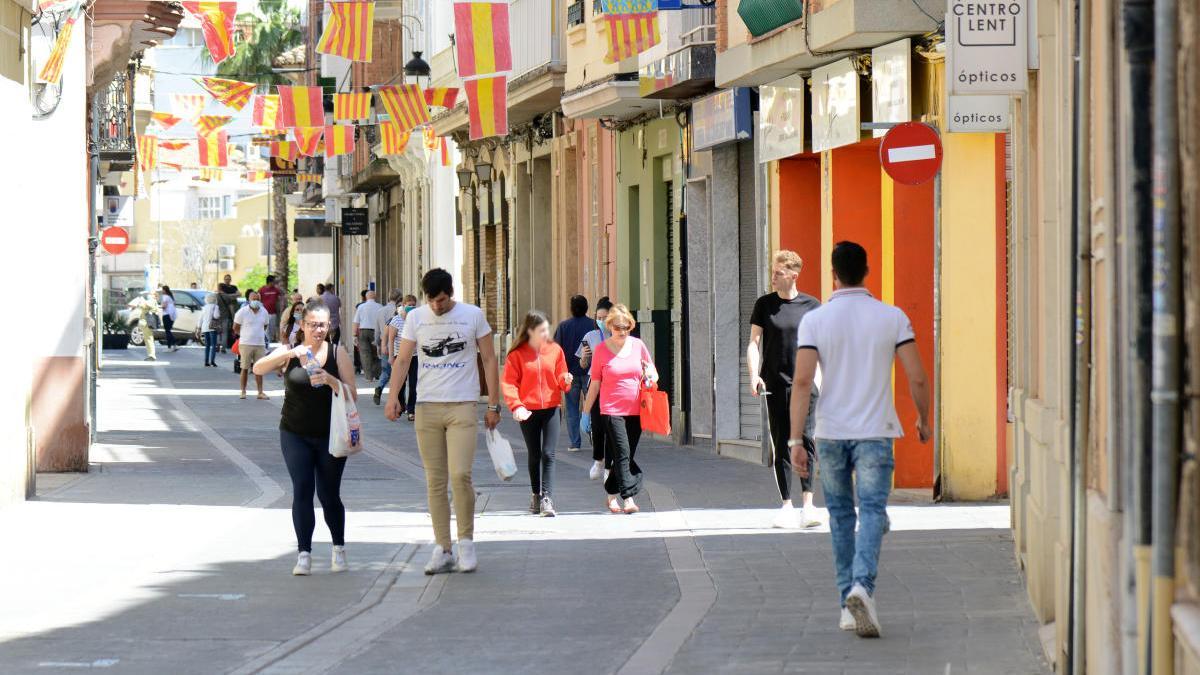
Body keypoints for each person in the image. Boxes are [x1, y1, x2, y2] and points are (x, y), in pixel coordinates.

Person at [788, 241, 931, 639]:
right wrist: (923, 418)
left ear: (833, 274)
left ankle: (847, 608)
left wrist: (794, 440)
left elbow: (802, 383)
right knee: (871, 511)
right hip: (876, 433)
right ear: (867, 271)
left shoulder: (816, 321)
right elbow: (916, 375)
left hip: (831, 432)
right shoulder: (892, 317)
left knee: (840, 516)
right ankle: (861, 588)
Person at [385, 268, 500, 575]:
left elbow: (489, 359)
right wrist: (393, 396)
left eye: (441, 300)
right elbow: (404, 359)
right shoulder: (415, 318)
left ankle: (466, 543)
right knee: (435, 481)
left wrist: (494, 404)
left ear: (451, 293)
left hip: (462, 405)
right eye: (431, 300)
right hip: (427, 407)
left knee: (460, 474)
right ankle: (443, 548)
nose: (436, 306)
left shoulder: (472, 315)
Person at [253, 299, 356, 576]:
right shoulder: (290, 351)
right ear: (303, 325)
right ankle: (304, 554)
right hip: (294, 433)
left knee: (328, 494)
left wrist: (332, 381)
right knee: (302, 490)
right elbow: (258, 368)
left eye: (323, 325)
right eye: (313, 325)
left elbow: (353, 394)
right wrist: (288, 353)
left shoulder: (338, 353)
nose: (318, 330)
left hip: (329, 436)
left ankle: (338, 548)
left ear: (329, 326)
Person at [748, 250, 823, 530]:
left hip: (805, 385)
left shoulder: (812, 305)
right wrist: (754, 374)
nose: (773, 276)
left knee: (805, 440)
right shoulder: (764, 305)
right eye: (773, 271)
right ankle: (786, 506)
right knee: (781, 442)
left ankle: (808, 506)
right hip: (774, 383)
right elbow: (754, 343)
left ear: (793, 274)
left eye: (778, 272)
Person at [580, 303, 658, 515]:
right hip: (611, 410)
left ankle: (610, 496)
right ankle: (628, 498)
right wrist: (586, 413)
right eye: (617, 327)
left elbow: (652, 371)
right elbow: (594, 383)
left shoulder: (638, 345)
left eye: (626, 327)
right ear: (609, 327)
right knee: (622, 453)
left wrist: (651, 376)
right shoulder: (601, 351)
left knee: (625, 455)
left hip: (636, 409)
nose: (622, 331)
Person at [502, 310, 572, 517]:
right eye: (541, 330)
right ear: (530, 331)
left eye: (547, 330)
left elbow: (560, 377)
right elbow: (509, 383)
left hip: (552, 408)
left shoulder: (555, 350)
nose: (545, 334)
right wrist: (516, 405)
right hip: (528, 411)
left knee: (548, 453)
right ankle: (535, 494)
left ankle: (547, 499)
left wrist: (565, 381)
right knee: (534, 454)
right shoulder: (517, 355)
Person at [577, 297, 613, 482]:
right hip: (596, 384)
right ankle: (599, 460)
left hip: (614, 385)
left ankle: (609, 466)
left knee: (612, 428)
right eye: (599, 317)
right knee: (598, 426)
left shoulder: (619, 337)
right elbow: (583, 365)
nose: (602, 321)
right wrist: (584, 357)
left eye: (605, 317)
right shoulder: (590, 337)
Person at [553, 295, 593, 453]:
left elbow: (556, 349)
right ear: (587, 307)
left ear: (571, 308)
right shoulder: (593, 325)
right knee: (592, 407)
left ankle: (575, 442)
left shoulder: (563, 326)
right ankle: (595, 437)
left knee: (571, 409)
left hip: (569, 373)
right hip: (590, 373)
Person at [233, 291, 272, 400]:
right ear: (249, 300)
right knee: (244, 368)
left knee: (259, 369)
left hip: (259, 344)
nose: (256, 301)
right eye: (253, 299)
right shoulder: (242, 312)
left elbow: (265, 326)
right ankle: (243, 391)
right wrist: (243, 335)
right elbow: (235, 327)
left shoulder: (264, 312)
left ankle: (260, 392)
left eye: (258, 299)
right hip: (246, 343)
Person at [374, 290, 403, 405]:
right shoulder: (401, 310)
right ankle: (397, 398)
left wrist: (379, 345)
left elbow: (377, 330)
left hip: (384, 343)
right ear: (399, 299)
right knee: (399, 373)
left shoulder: (380, 311)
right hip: (398, 344)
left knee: (386, 370)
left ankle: (380, 387)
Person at [353, 290, 383, 383]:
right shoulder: (380, 306)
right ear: (375, 297)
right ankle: (377, 374)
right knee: (377, 353)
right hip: (376, 331)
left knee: (365, 354)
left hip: (363, 331)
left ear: (366, 297)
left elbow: (356, 322)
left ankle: (369, 377)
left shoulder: (361, 307)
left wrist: (354, 335)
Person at [129, 292, 159, 361]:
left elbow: (143, 305)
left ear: (154, 296)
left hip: (146, 323)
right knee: (149, 339)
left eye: (151, 294)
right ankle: (151, 355)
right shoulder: (154, 302)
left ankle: (151, 355)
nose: (149, 295)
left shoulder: (151, 301)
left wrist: (140, 301)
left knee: (148, 339)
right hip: (148, 323)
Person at [258, 274, 283, 348]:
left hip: (274, 313)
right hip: (264, 313)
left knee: (272, 329)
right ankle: (266, 343)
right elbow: (258, 300)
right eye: (274, 282)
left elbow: (280, 298)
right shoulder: (262, 290)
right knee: (266, 329)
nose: (275, 283)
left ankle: (270, 341)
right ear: (270, 282)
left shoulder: (276, 289)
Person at [200, 293, 221, 367]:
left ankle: (206, 361)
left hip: (205, 328)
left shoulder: (204, 307)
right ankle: (212, 361)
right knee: (213, 345)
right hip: (212, 328)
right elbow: (216, 316)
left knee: (207, 345)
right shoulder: (215, 306)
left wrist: (198, 328)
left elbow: (201, 318)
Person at [160, 286, 178, 353]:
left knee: (167, 331)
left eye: (162, 290)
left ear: (164, 290)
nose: (162, 291)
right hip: (172, 315)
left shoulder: (165, 296)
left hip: (166, 315)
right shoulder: (171, 297)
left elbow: (164, 306)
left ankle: (173, 344)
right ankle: (171, 346)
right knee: (168, 331)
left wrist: (160, 306)